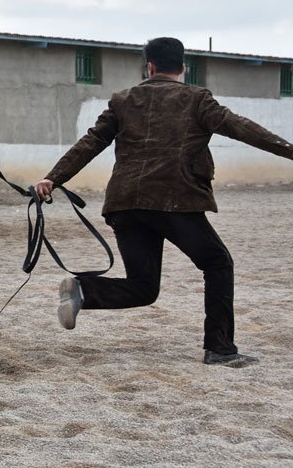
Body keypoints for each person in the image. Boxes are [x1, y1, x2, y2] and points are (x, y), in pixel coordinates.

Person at [35, 37, 293, 367]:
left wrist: (53, 178)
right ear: (183, 67)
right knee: (217, 263)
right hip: (174, 200)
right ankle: (219, 348)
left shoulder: (123, 100)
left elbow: (91, 142)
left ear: (150, 67)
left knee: (143, 287)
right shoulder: (197, 99)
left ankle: (83, 289)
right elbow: (242, 128)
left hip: (125, 203)